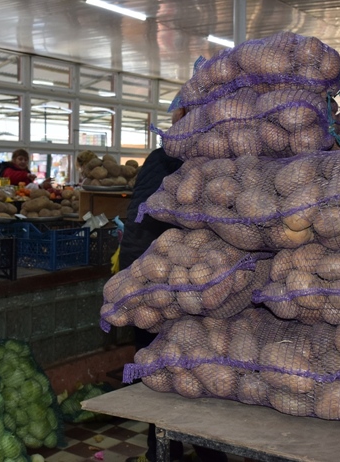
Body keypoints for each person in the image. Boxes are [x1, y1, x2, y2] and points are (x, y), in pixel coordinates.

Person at [119, 107, 227, 462]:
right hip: (157, 284)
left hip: (171, 280)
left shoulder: (195, 160)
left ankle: (188, 450)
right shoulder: (169, 160)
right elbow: (149, 218)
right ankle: (170, 453)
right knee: (165, 374)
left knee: (187, 373)